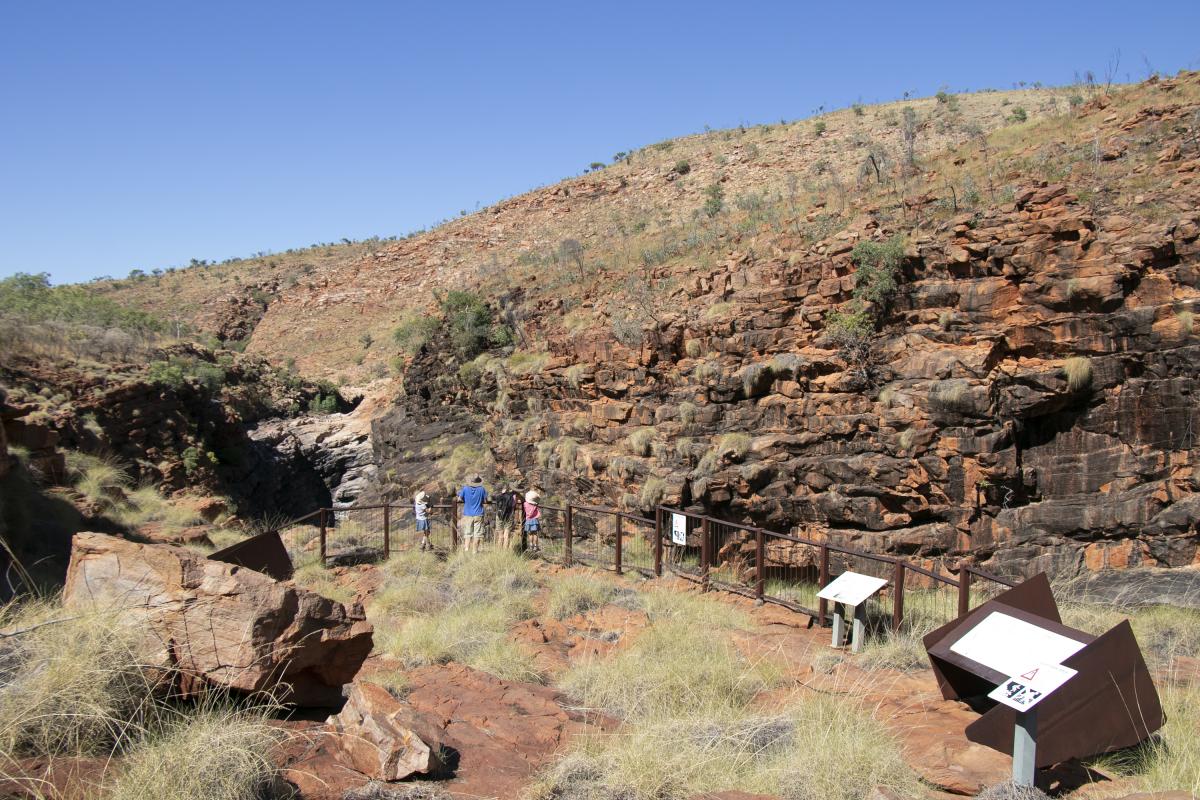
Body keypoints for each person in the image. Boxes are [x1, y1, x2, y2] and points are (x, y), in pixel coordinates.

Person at [457, 474, 488, 554]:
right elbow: (485, 501)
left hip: (468, 513)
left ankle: (466, 549)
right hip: (478, 513)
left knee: (468, 532)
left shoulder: (465, 489)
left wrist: (465, 499)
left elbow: (459, 498)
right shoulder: (482, 489)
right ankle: (475, 551)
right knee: (477, 533)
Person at [494, 485, 521, 551]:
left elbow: (496, 503)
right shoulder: (514, 497)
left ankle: (499, 551)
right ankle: (505, 551)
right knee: (507, 534)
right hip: (509, 515)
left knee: (500, 535)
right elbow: (515, 506)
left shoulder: (500, 495)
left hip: (499, 515)